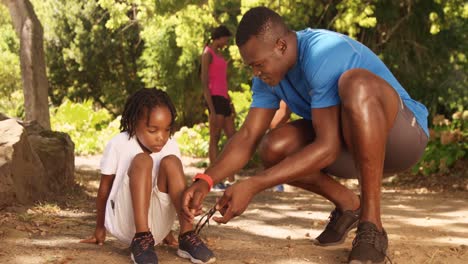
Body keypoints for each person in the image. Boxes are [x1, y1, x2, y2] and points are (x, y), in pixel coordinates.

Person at [183, 6, 429, 264]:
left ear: (281, 46)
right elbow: (247, 136)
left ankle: (372, 226)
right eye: (251, 66)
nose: (255, 73)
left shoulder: (322, 51)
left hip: (402, 138)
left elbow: (328, 148)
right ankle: (349, 204)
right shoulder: (269, 78)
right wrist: (205, 180)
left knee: (355, 84)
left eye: (258, 64)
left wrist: (253, 184)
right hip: (352, 146)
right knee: (273, 147)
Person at [81, 88, 215, 264]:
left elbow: (167, 194)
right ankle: (141, 239)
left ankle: (187, 235)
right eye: (153, 130)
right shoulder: (118, 144)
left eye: (167, 130)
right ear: (133, 123)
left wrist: (166, 231)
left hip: (157, 228)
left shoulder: (171, 146)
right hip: (126, 223)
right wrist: (99, 228)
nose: (161, 137)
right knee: (143, 161)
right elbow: (104, 189)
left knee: (172, 162)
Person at [201, 25, 236, 189]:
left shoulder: (220, 55)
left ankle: (230, 177)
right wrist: (211, 109)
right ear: (219, 37)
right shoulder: (207, 53)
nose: (226, 42)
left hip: (224, 99)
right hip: (214, 99)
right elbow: (204, 82)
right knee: (214, 138)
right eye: (226, 39)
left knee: (233, 138)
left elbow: (223, 81)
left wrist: (230, 102)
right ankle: (214, 179)